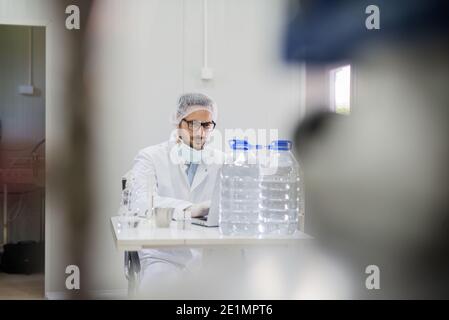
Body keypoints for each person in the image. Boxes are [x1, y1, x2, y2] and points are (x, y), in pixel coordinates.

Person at [129, 93, 222, 292]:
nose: (200, 133)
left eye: (206, 125)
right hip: (163, 256)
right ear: (178, 123)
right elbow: (141, 205)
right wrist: (192, 209)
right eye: (193, 124)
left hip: (207, 257)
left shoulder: (221, 160)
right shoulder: (150, 157)